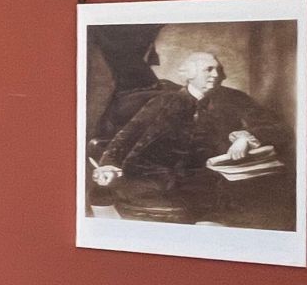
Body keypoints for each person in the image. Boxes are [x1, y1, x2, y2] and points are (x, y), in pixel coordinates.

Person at [92, 51, 292, 228]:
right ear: (190, 74)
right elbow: (127, 136)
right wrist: (108, 165)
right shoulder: (164, 101)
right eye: (209, 69)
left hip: (208, 180)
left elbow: (279, 128)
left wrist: (247, 137)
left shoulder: (234, 99)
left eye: (219, 70)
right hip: (155, 178)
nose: (217, 75)